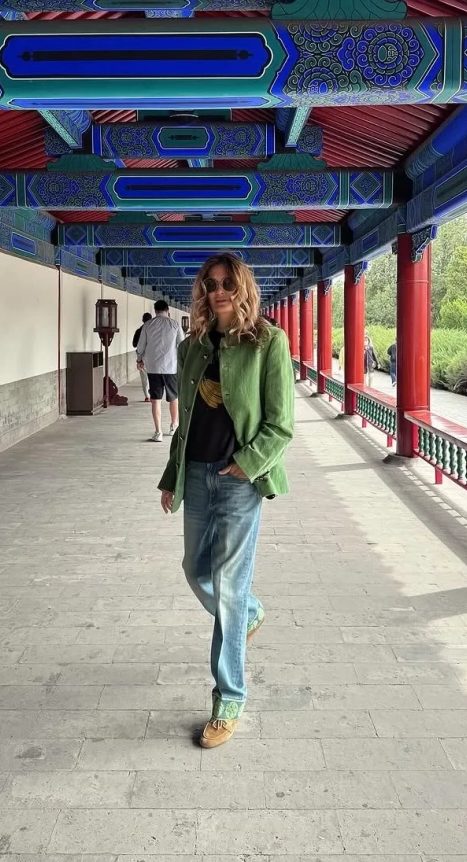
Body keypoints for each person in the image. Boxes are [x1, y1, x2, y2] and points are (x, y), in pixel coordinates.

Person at [158, 254, 294, 748]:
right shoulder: (192, 346)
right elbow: (185, 422)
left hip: (240, 480)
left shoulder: (268, 342)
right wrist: (171, 476)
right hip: (196, 474)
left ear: (243, 289)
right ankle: (250, 614)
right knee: (195, 569)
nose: (218, 292)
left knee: (229, 589)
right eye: (210, 284)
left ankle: (229, 698)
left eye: (227, 284)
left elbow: (281, 424)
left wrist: (248, 462)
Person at [136, 299, 184, 442]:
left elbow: (141, 345)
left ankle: (158, 432)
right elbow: (182, 345)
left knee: (155, 400)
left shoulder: (148, 325)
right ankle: (174, 425)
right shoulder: (175, 324)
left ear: (155, 311)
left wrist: (139, 359)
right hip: (171, 367)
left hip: (153, 367)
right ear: (168, 310)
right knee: (173, 398)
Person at [132, 312, 153, 401]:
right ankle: (154, 394)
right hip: (153, 356)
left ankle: (147, 396)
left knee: (144, 378)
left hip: (142, 356)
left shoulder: (139, 331)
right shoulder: (154, 330)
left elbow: (134, 344)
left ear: (142, 320)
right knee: (153, 376)